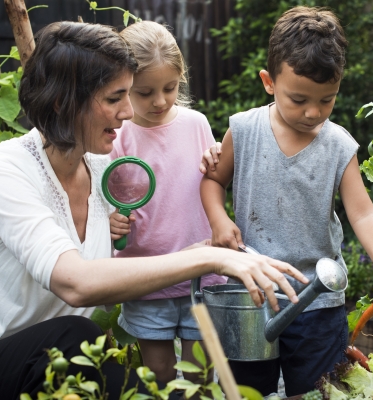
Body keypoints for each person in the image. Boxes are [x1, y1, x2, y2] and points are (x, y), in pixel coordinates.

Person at [0, 21, 306, 400]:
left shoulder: (104, 172)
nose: (130, 112)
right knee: (76, 336)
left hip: (50, 377)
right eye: (115, 99)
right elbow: (76, 282)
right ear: (64, 101)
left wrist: (208, 254)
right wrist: (208, 260)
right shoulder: (7, 169)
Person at [200, 6, 373, 396]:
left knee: (318, 390)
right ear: (269, 82)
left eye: (326, 100)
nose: (313, 113)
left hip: (318, 302)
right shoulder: (244, 129)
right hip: (252, 296)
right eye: (298, 99)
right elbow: (213, 180)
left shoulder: (338, 144)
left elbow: (362, 212)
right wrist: (218, 218)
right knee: (246, 391)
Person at [107, 20, 227, 385]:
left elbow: (213, 180)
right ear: (124, 84)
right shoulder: (115, 136)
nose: (159, 101)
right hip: (145, 279)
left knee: (201, 377)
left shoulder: (196, 123)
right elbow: (102, 201)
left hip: (200, 275)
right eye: (144, 92)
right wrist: (109, 221)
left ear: (181, 79)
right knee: (159, 373)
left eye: (170, 88)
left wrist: (220, 159)